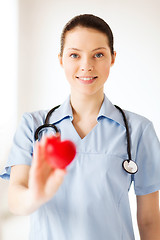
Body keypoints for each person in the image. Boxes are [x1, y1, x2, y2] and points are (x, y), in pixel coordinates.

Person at [0, 14, 160, 240]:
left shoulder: (139, 130)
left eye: (98, 54)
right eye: (75, 55)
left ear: (112, 58)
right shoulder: (33, 125)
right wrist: (36, 195)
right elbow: (16, 201)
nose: (86, 65)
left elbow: (150, 220)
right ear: (61, 59)